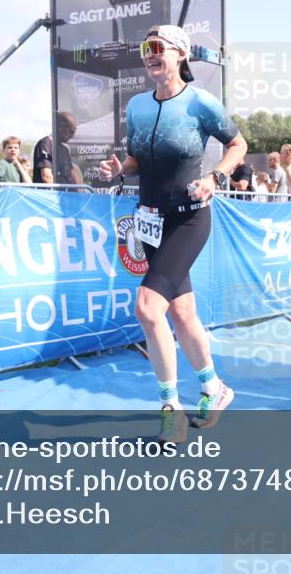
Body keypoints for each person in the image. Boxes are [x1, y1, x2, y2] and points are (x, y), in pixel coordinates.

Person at [97, 24, 247, 443]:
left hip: (189, 219)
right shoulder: (138, 107)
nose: (150, 54)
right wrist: (118, 170)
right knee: (182, 313)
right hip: (151, 220)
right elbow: (136, 157)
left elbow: (238, 144)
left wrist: (215, 176)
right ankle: (215, 389)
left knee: (147, 308)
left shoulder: (201, 102)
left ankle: (170, 407)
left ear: (180, 54)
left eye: (158, 47)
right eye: (146, 48)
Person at [33, 111, 81, 185]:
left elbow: (72, 174)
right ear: (60, 127)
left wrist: (79, 194)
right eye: (70, 131)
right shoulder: (46, 143)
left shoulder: (64, 149)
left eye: (74, 133)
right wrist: (56, 194)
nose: (72, 136)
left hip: (66, 193)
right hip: (52, 194)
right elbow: (46, 176)